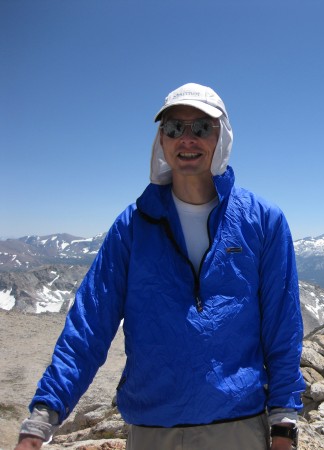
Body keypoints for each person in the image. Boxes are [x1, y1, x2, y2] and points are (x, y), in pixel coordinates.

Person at [15, 83, 305, 450]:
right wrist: (42, 419)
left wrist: (284, 422)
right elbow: (89, 326)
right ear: (162, 140)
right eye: (174, 128)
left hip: (239, 425)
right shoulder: (133, 225)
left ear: (222, 137)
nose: (187, 139)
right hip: (153, 429)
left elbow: (282, 328)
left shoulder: (262, 221)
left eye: (201, 127)